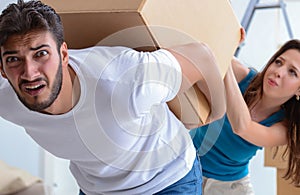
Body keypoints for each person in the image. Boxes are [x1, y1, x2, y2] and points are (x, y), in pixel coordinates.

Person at [0, 0, 227, 194]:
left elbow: (201, 55)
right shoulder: (7, 96)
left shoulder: (124, 79)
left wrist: (215, 113)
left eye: (41, 54)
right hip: (98, 188)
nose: (29, 72)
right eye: (13, 59)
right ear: (2, 69)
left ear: (63, 54)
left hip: (166, 180)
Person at [191, 38, 300, 195]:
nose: (279, 72)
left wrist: (225, 66)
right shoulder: (244, 77)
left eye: (292, 72)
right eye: (278, 62)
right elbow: (210, 44)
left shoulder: (282, 128)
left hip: (228, 187)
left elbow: (242, 127)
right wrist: (231, 37)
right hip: (187, 167)